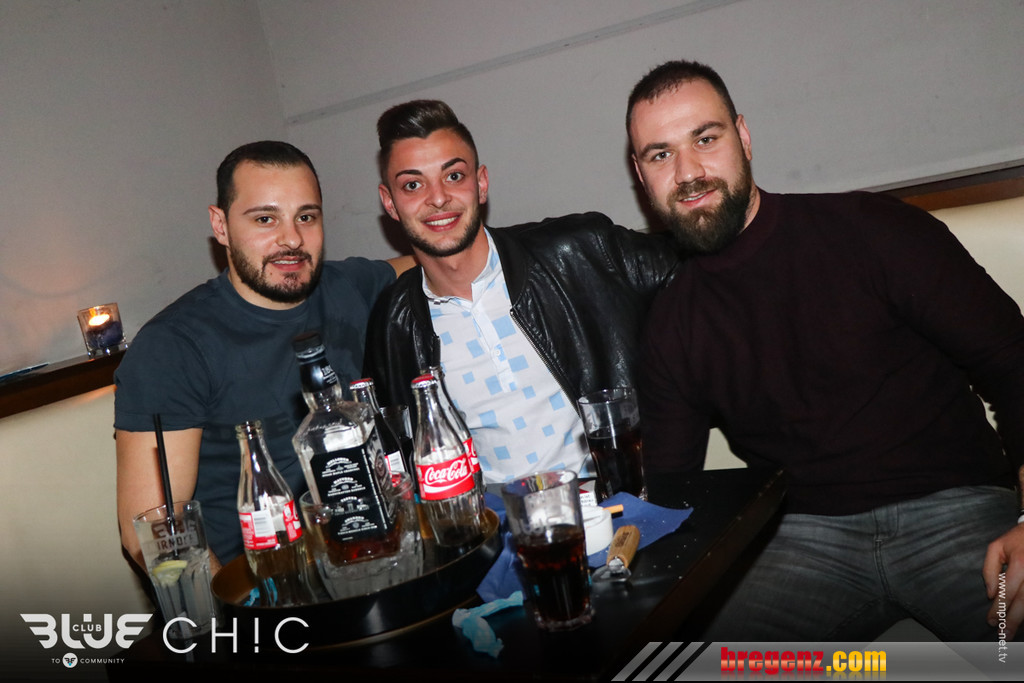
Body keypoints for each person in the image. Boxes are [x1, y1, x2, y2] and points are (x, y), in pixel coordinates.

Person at [627, 58, 1024, 641]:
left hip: (956, 509)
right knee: (691, 667)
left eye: (705, 139)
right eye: (660, 154)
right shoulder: (672, 324)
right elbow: (670, 490)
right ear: (642, 177)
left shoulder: (870, 230)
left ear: (744, 137)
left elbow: (1013, 361)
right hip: (800, 540)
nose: (688, 172)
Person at [115, 140, 413, 571]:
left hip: (379, 550)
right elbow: (153, 532)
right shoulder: (172, 347)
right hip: (266, 583)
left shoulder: (347, 285)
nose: (291, 239)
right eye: (265, 219)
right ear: (220, 225)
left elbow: (434, 263)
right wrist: (240, 609)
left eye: (306, 217)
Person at [364, 100, 679, 484]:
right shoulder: (393, 324)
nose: (438, 198)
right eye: (413, 185)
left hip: (617, 502)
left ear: (481, 184)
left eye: (454, 176)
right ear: (389, 203)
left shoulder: (578, 252)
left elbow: (697, 268)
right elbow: (393, 456)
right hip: (494, 520)